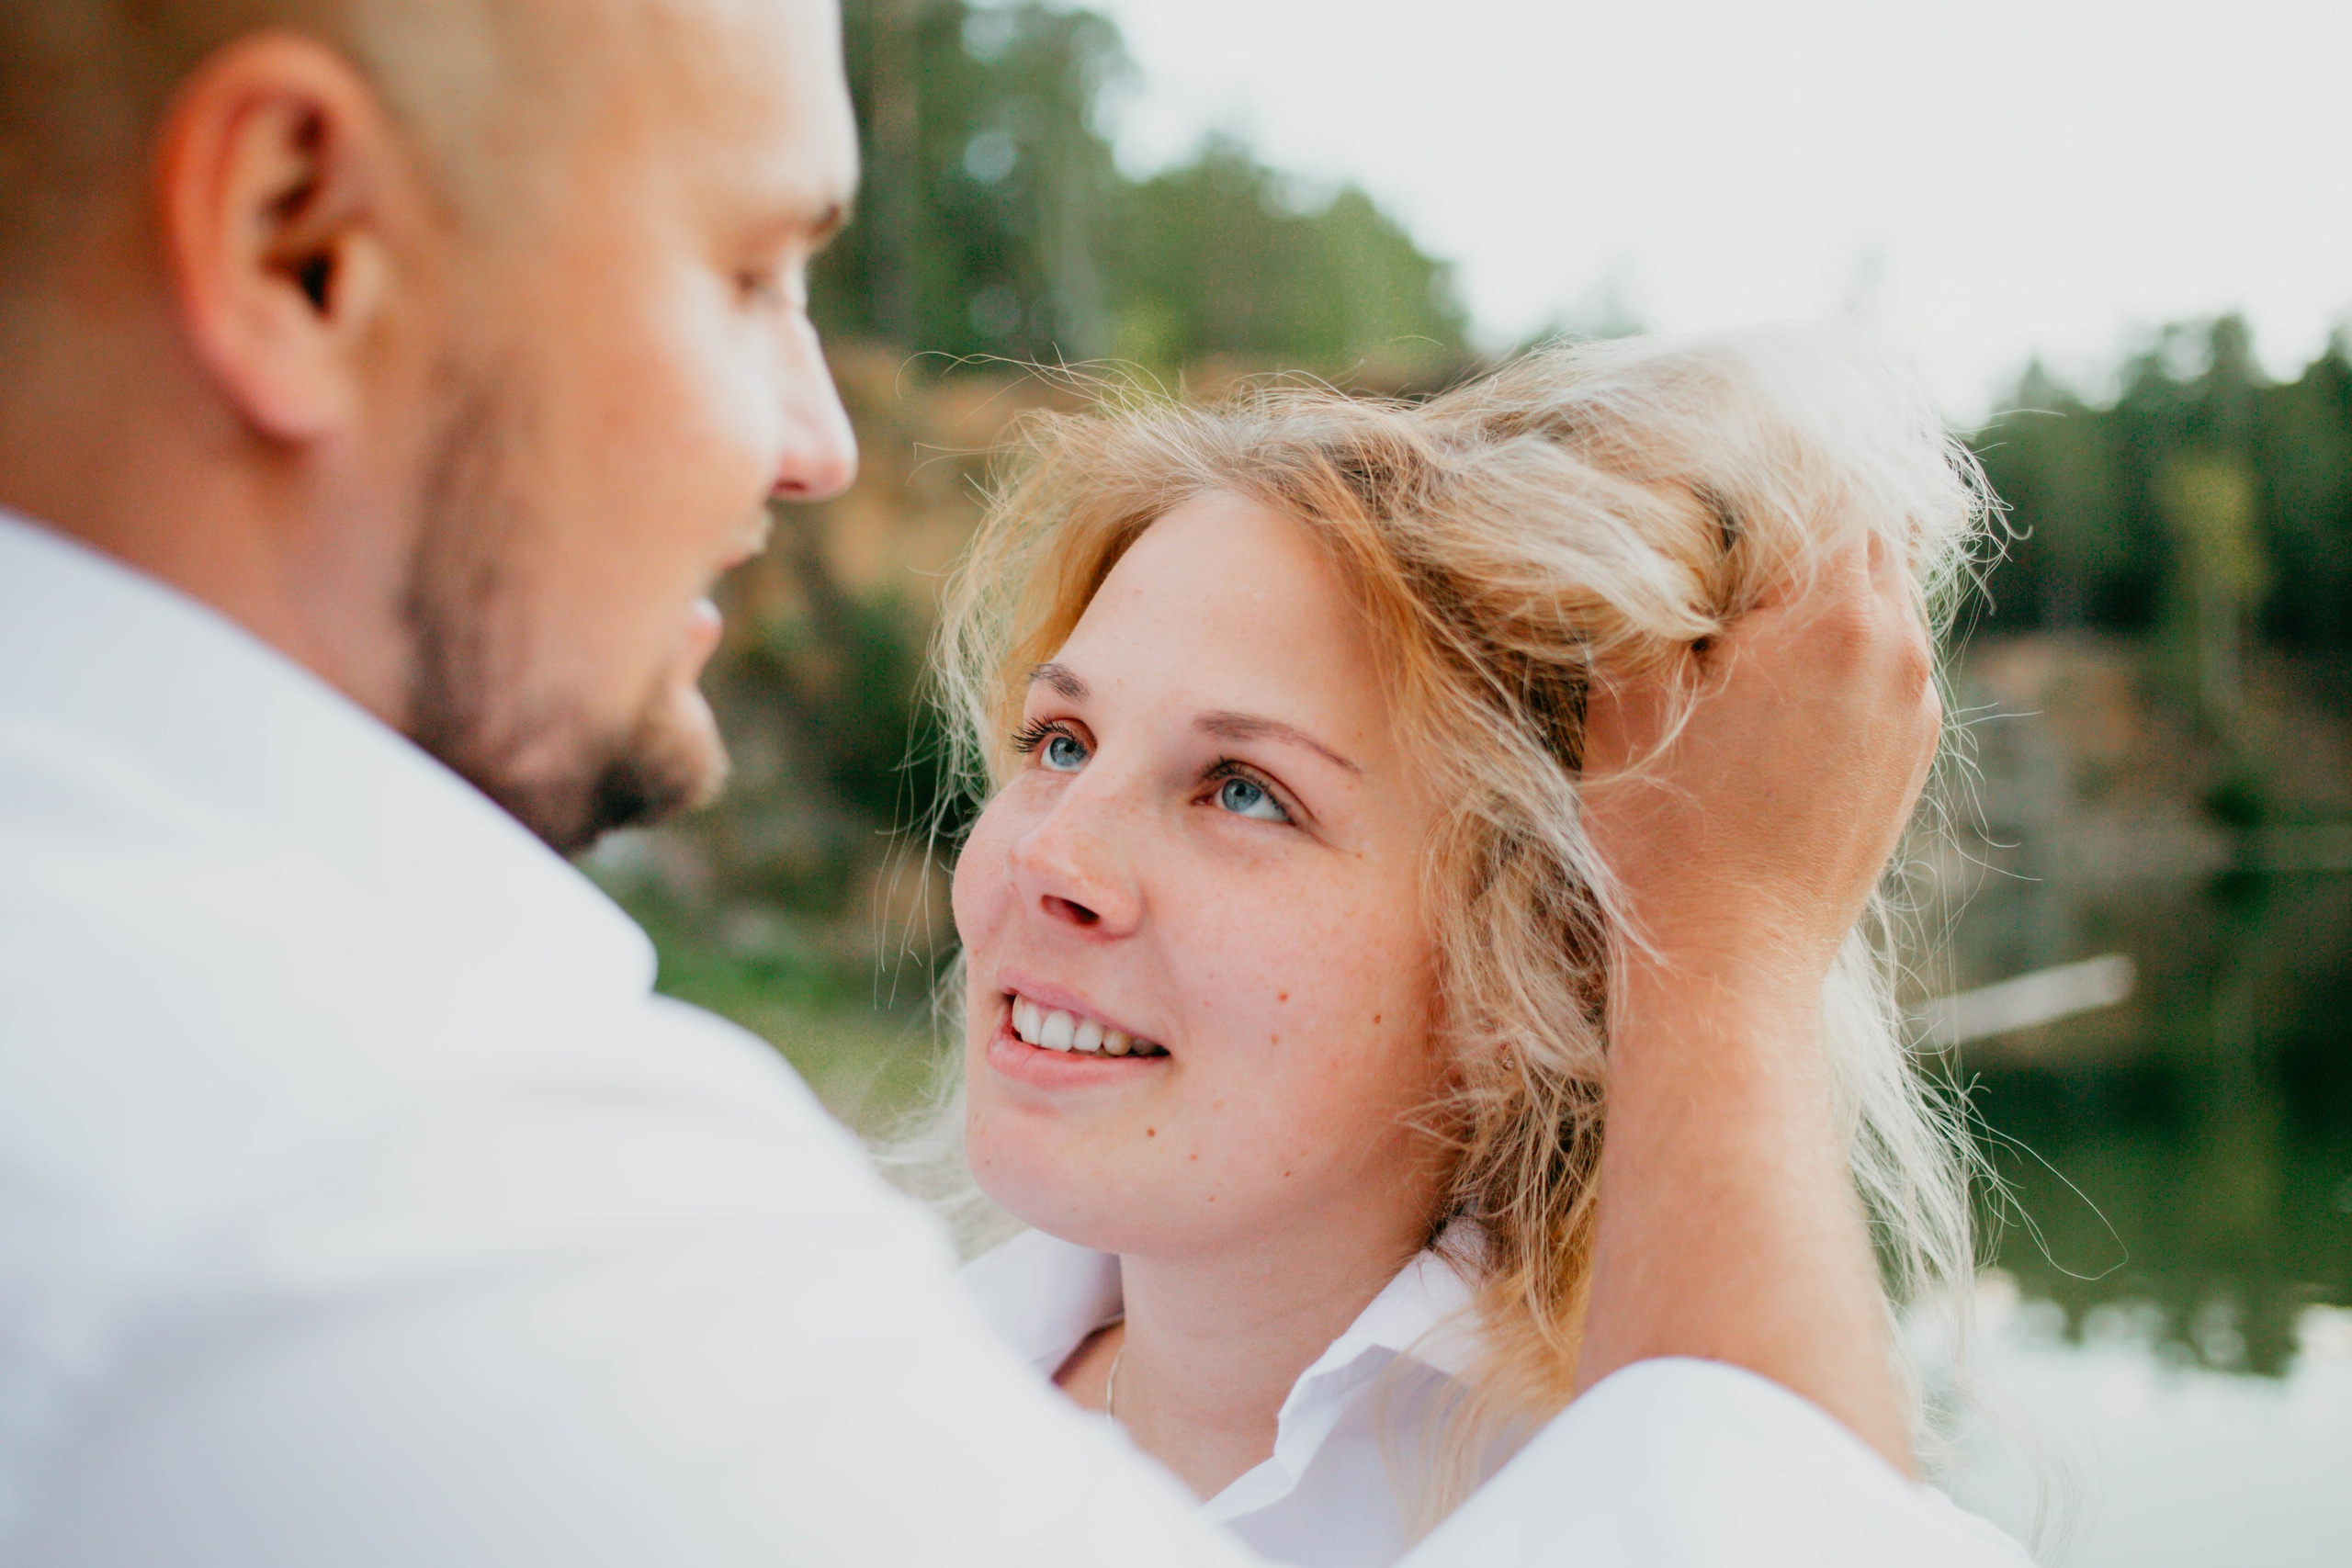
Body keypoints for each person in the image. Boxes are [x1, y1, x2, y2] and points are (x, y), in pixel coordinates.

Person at [0, 0, 2021, 1562]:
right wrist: (1734, 957)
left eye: (1239, 789)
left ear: (1527, 948)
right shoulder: (418, 1212)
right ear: (299, 243)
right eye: (737, 270)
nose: (815, 441)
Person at [926, 329, 2022, 1566]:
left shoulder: (1738, 1493)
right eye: (1059, 742)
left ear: (1532, 956)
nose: (1045, 860)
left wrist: (1720, 952)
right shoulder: (847, 1391)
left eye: (1241, 790)